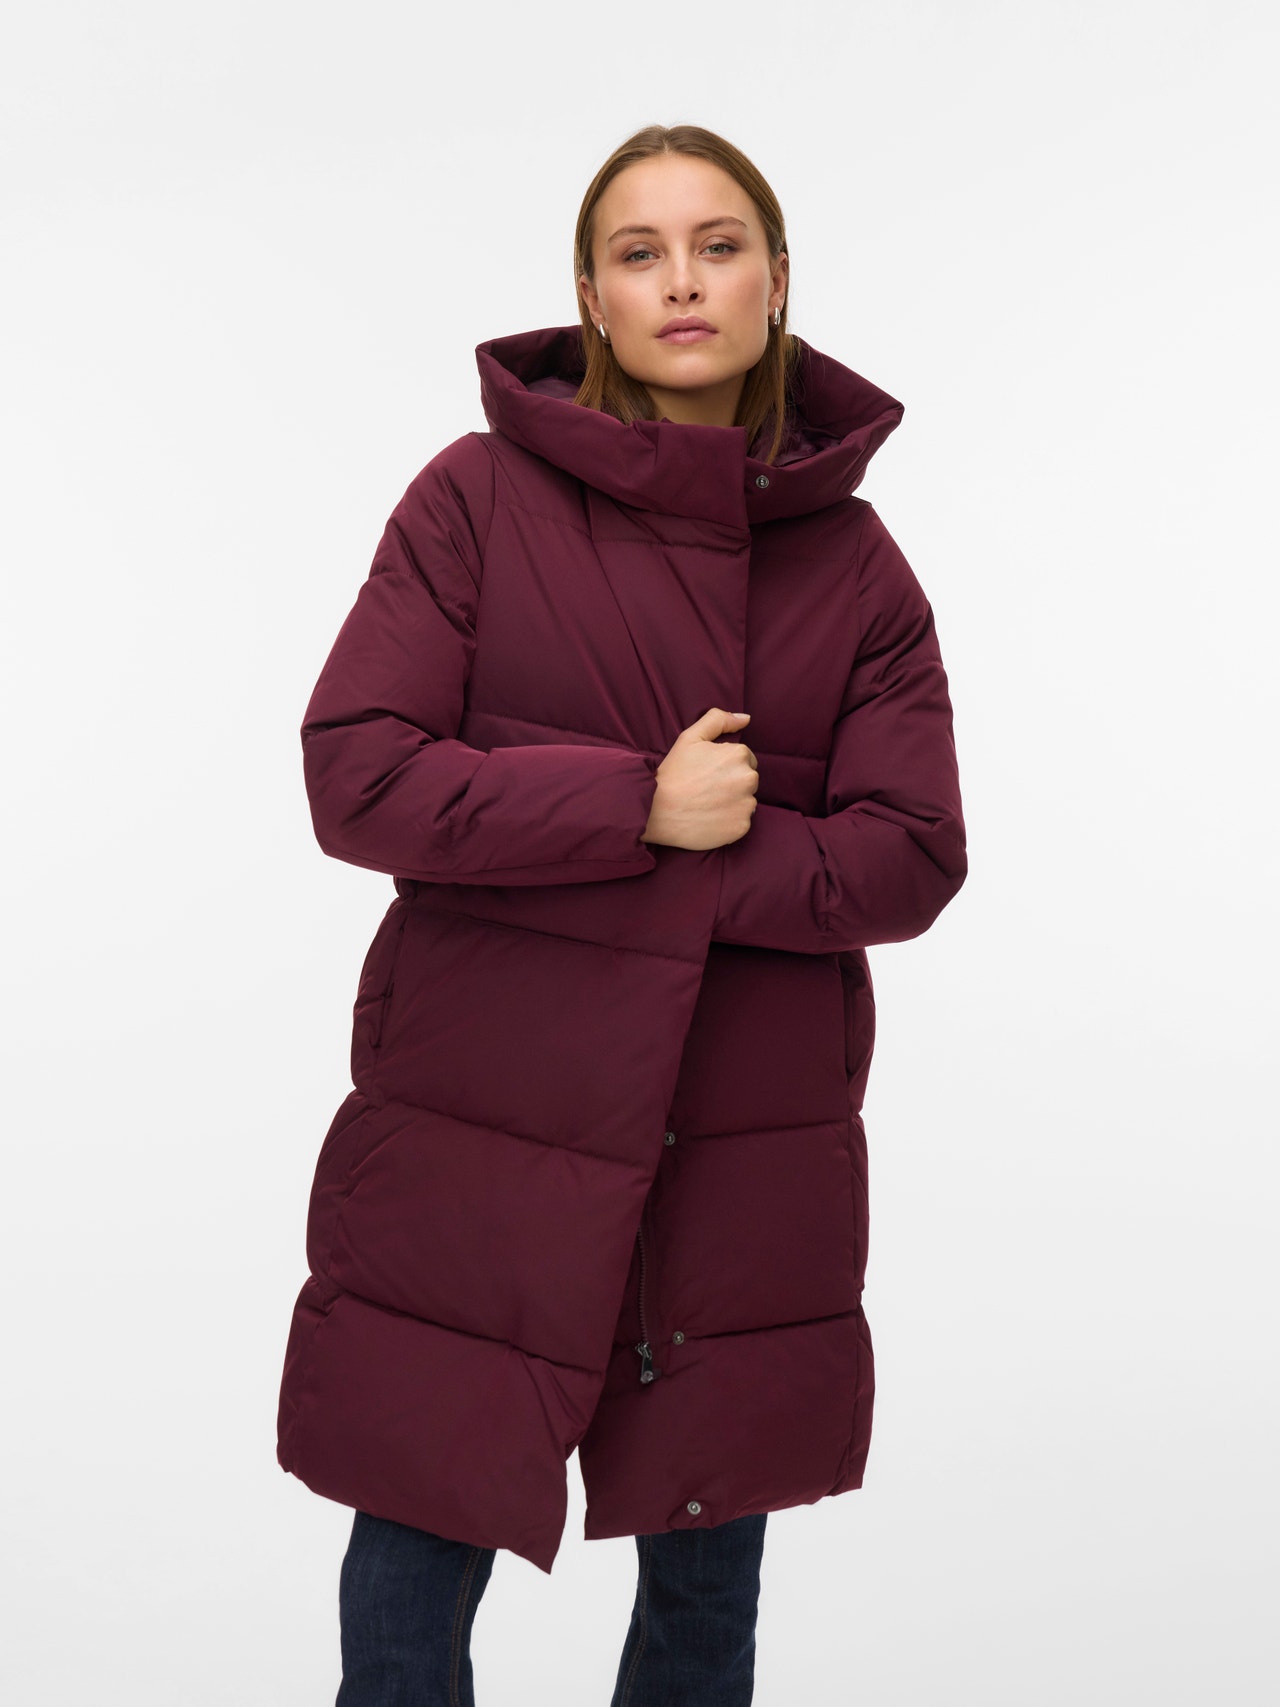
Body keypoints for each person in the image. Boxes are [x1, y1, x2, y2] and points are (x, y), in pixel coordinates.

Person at [277, 123, 968, 1706]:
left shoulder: (857, 568)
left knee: (706, 1594)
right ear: (590, 293)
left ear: (778, 281)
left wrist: (703, 859)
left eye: (719, 246)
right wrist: (631, 809)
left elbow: (915, 855)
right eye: (640, 252)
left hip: (736, 1150)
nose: (682, 282)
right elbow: (357, 775)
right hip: (483, 1130)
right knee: (412, 1571)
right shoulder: (474, 502)